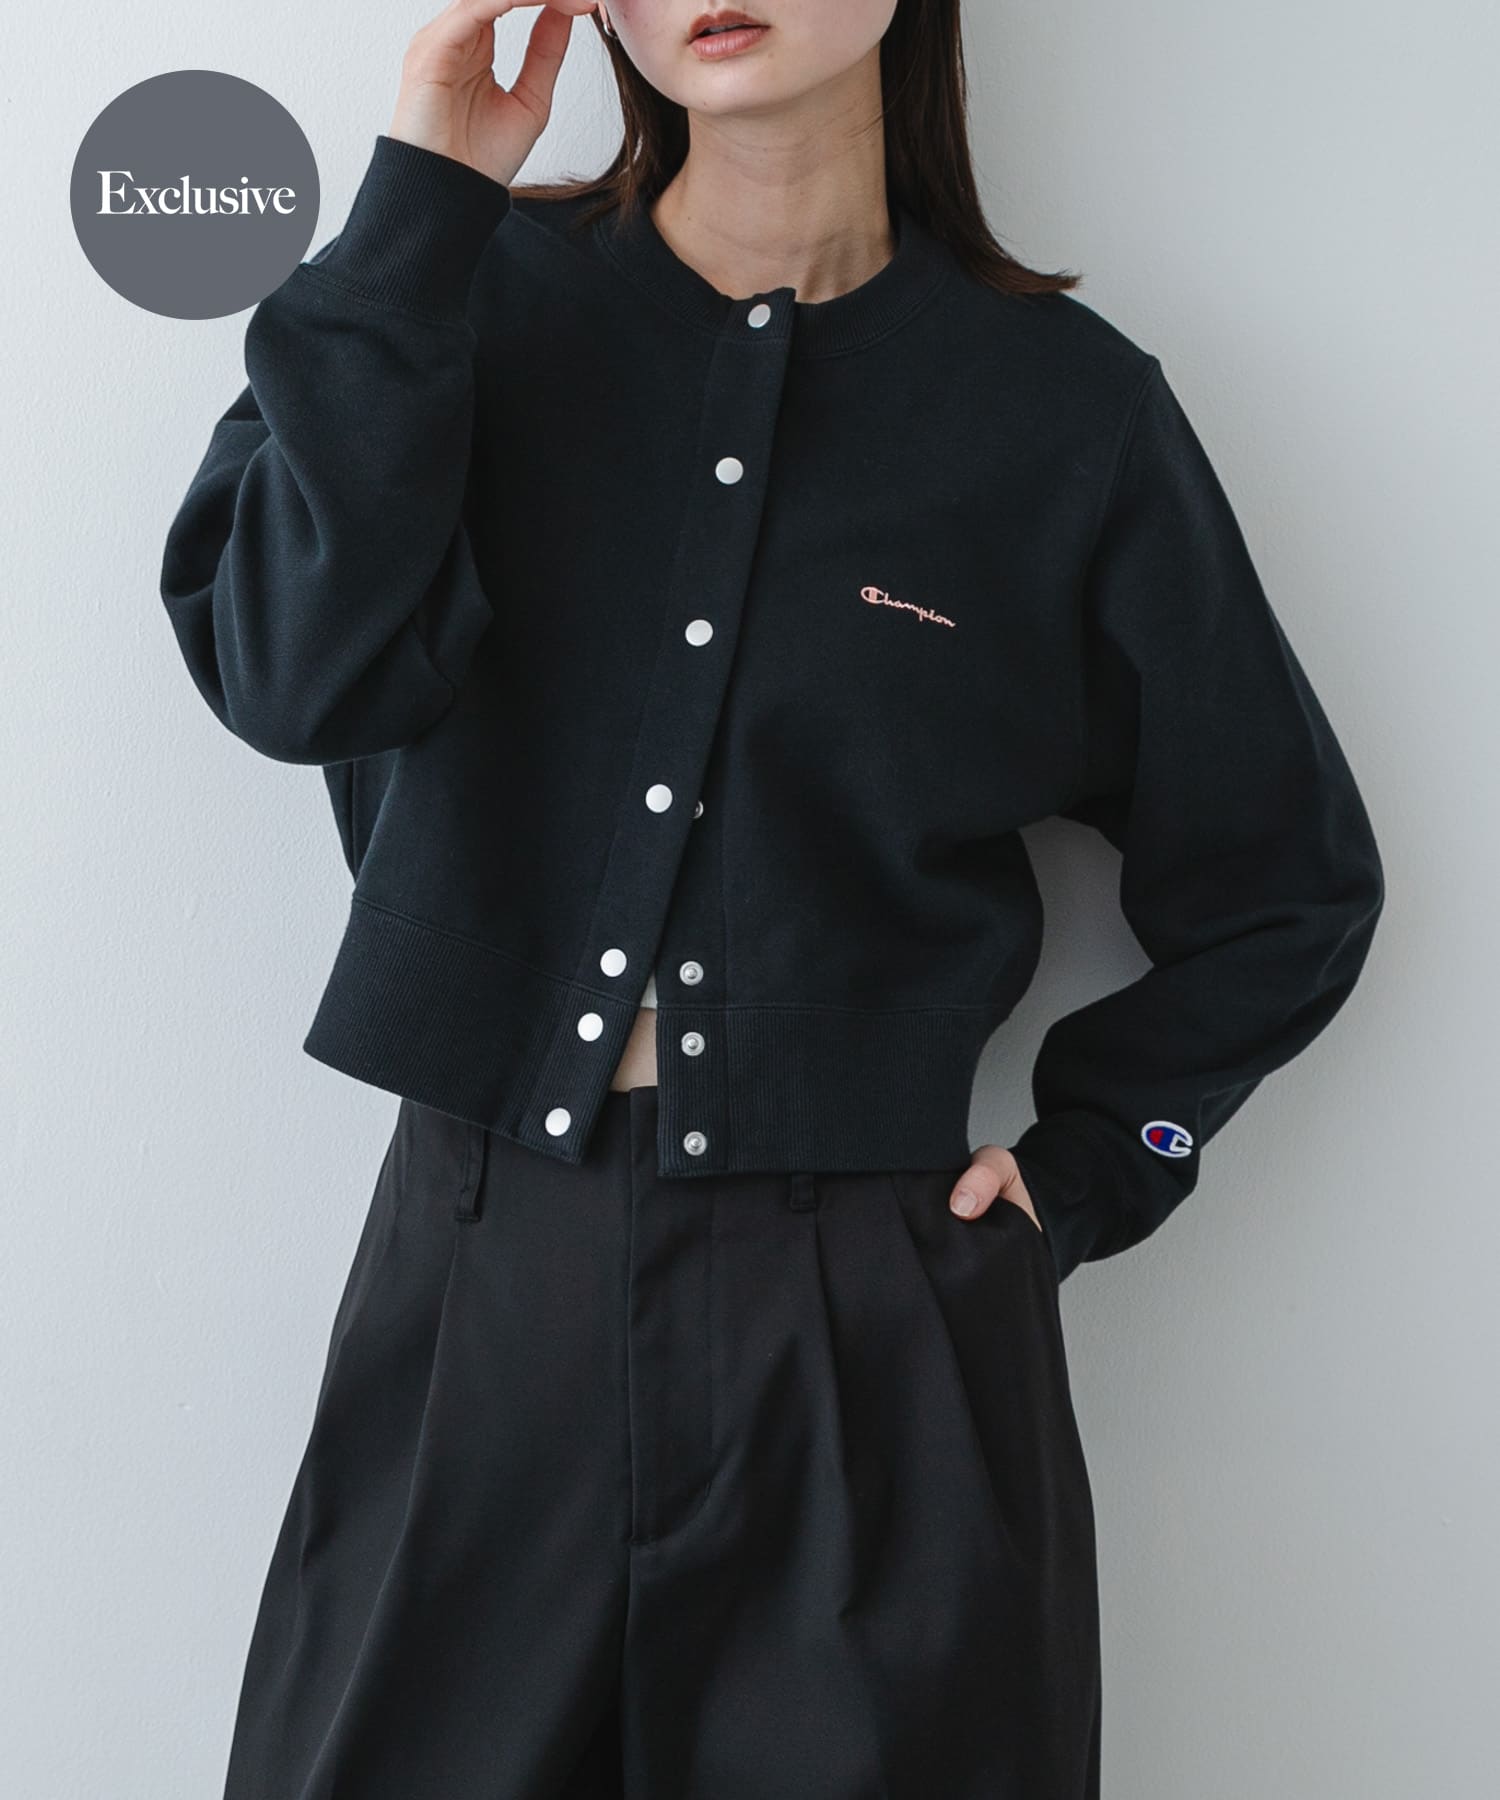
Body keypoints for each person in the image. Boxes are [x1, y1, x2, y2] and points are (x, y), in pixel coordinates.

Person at [157, 2, 1385, 1795]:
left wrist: (1106, 1166)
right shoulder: (460, 299)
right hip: (482, 1281)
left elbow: (1292, 882)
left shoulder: (1066, 412)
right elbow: (287, 673)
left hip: (878, 1320)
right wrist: (421, 198)